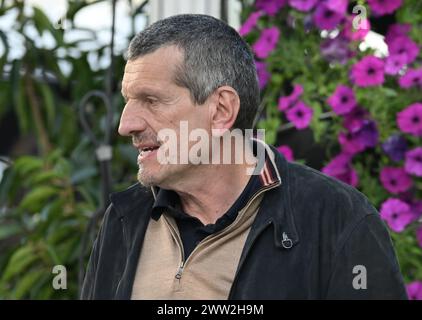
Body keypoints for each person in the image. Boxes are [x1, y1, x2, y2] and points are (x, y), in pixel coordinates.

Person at [81, 14, 407, 300]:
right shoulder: (124, 218)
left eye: (150, 100)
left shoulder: (337, 220)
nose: (126, 125)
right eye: (128, 101)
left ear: (222, 110)